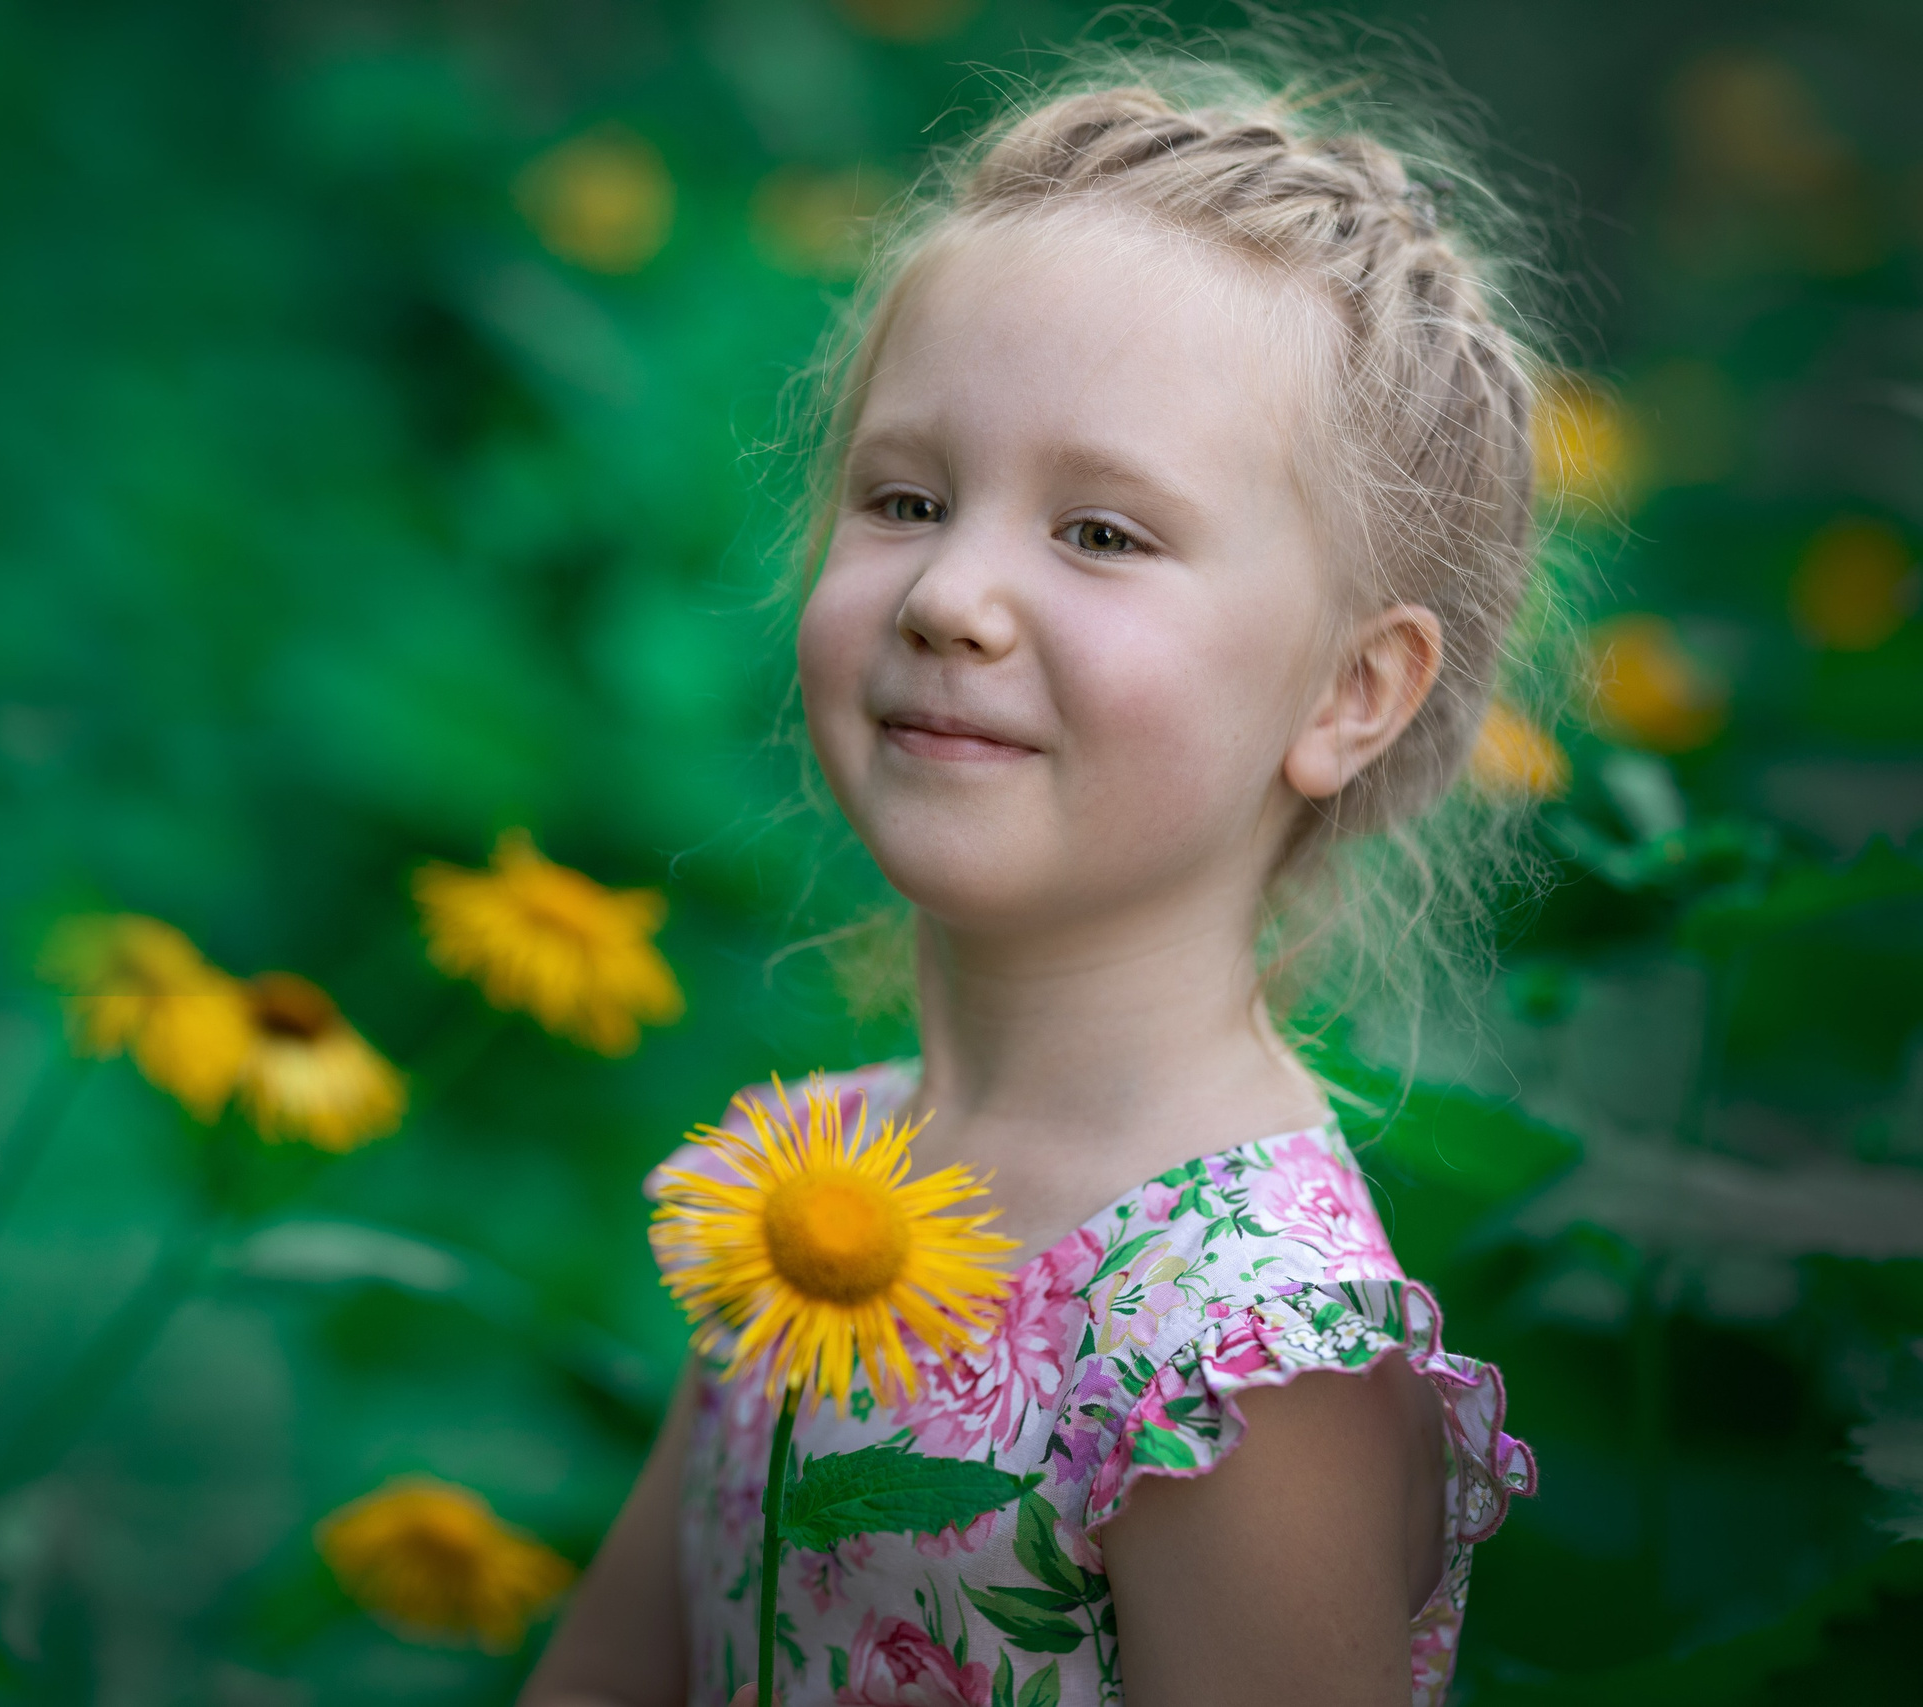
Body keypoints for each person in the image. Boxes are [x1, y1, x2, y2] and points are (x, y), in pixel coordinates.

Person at [522, 56, 1553, 1707]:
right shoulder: (821, 1184)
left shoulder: (1245, 1354)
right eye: (906, 498)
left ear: (1348, 694)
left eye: (1101, 534)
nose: (950, 593)